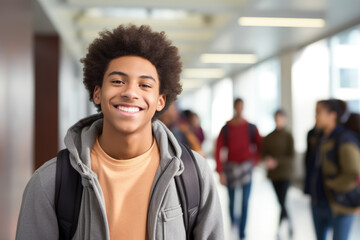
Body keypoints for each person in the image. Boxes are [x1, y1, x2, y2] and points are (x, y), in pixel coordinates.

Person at [16, 24, 224, 240]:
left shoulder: (194, 175)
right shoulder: (50, 182)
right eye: (117, 81)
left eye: (145, 85)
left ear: (160, 101)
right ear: (97, 93)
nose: (130, 92)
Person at [309, 99, 360, 240]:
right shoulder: (318, 138)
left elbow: (353, 173)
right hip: (318, 202)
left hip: (340, 205)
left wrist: (332, 184)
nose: (316, 116)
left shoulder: (345, 139)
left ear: (332, 115)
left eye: (319, 112)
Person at [215, 98, 262, 240]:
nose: (240, 109)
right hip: (231, 168)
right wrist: (220, 171)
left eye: (242, 106)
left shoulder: (251, 127)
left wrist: (255, 160)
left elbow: (260, 144)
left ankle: (242, 232)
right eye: (238, 107)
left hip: (246, 167)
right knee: (232, 200)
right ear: (234, 107)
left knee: (245, 202)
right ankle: (233, 225)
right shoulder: (226, 128)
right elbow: (218, 149)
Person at [261, 109, 295, 238]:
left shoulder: (288, 135)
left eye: (280, 118)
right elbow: (263, 153)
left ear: (284, 119)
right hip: (273, 174)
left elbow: (291, 156)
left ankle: (280, 227)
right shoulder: (269, 137)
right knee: (281, 201)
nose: (278, 121)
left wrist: (277, 162)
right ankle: (289, 221)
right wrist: (267, 160)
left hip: (285, 173)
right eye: (276, 118)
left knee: (282, 200)